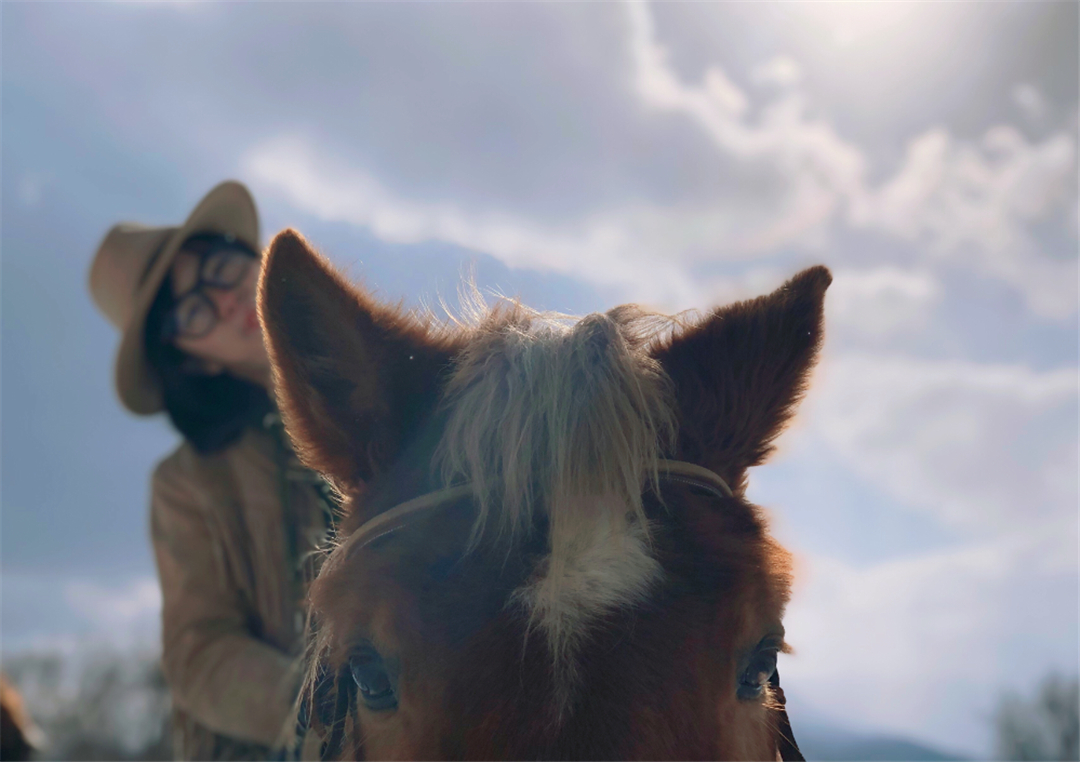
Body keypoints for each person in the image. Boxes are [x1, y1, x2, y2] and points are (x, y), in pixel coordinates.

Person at [89, 181, 335, 760]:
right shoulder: (187, 484)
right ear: (191, 358)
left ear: (253, 259)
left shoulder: (376, 393)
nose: (226, 302)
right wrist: (328, 707)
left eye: (220, 268)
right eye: (193, 310)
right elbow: (199, 652)